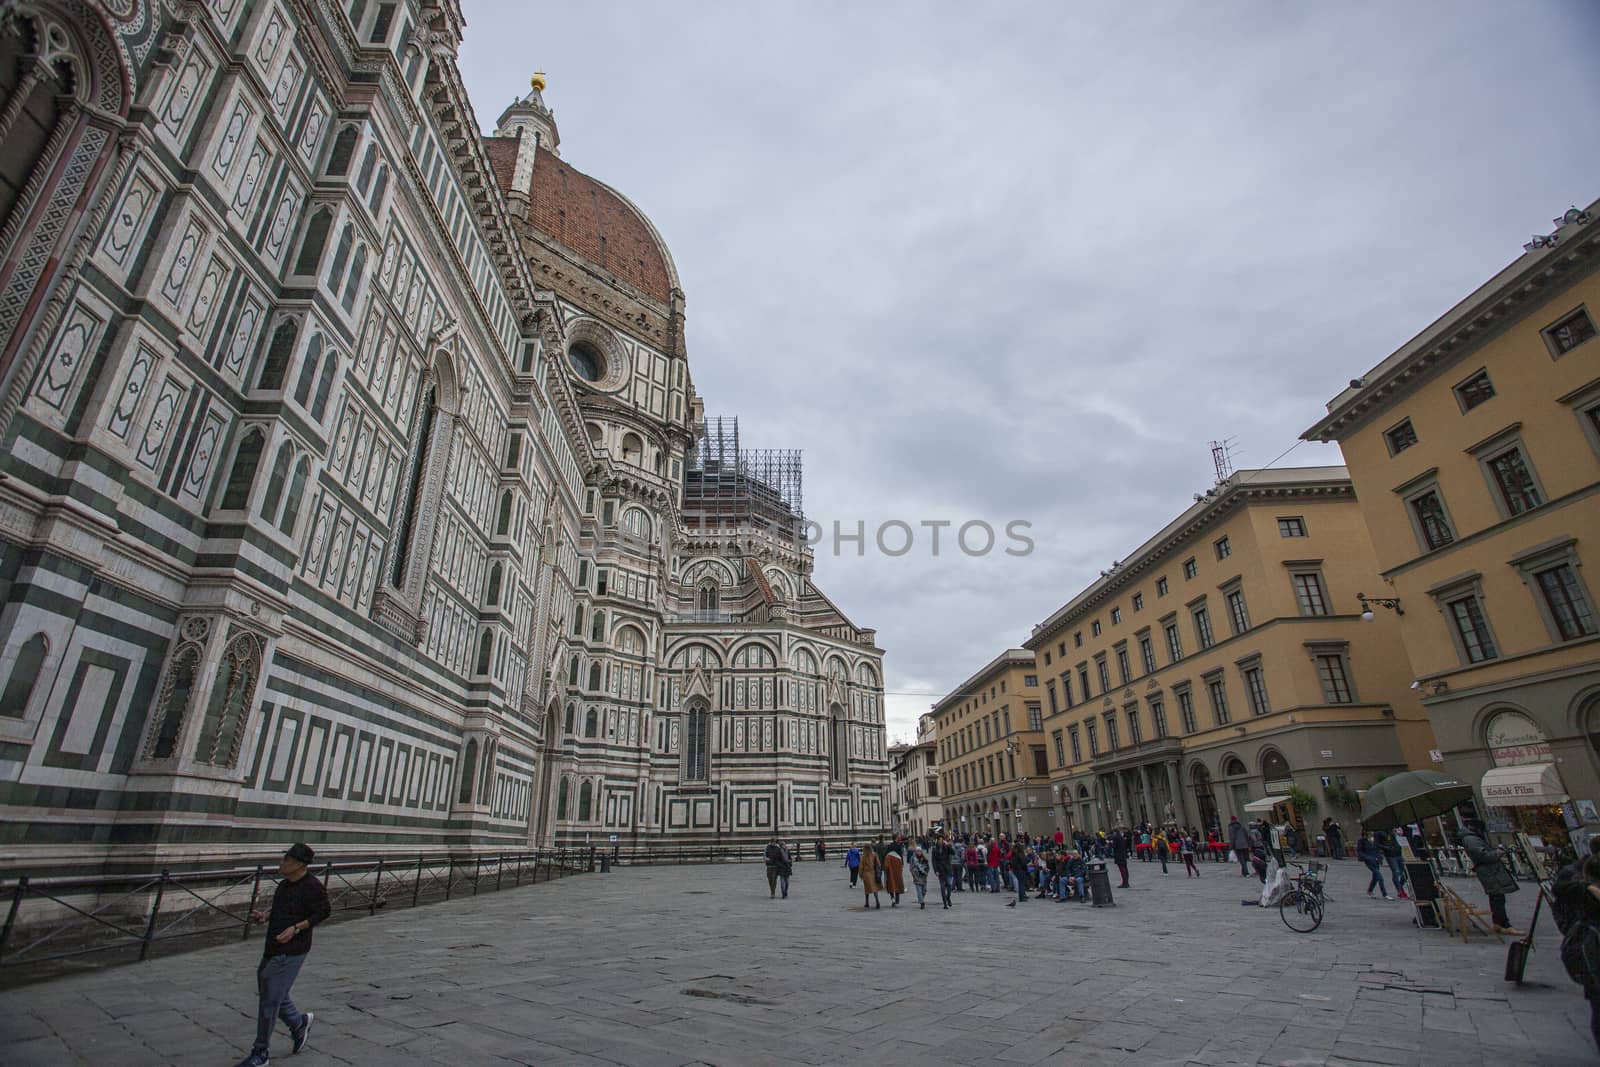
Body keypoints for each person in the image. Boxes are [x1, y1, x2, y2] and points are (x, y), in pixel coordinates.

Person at [236, 843, 330, 1067]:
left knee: (270, 1001)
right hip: (273, 947)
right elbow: (281, 907)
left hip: (292, 951)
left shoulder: (312, 886)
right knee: (272, 994)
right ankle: (299, 1023)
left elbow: (324, 911)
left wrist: (297, 928)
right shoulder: (285, 885)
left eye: (286, 860)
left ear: (298, 864)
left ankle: (261, 1053)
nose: (282, 863)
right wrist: (265, 916)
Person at [1460, 822, 1522, 935]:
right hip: (1489, 872)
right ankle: (1503, 924)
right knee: (1497, 898)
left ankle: (1499, 923)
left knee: (1497, 897)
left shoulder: (1472, 838)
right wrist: (1498, 852)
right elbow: (1483, 856)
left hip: (1491, 872)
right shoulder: (1471, 839)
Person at [1356, 832, 1390, 900]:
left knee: (1375, 877)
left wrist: (1380, 856)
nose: (1372, 833)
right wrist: (1367, 858)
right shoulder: (1362, 840)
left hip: (1376, 860)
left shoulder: (1376, 839)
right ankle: (1385, 894)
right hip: (1369, 861)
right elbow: (1360, 851)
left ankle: (1370, 891)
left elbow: (1378, 848)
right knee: (1379, 876)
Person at [1377, 831, 1408, 900]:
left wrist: (1399, 846)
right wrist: (1387, 848)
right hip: (1390, 855)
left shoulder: (1392, 831)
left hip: (1398, 853)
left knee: (1406, 872)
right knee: (1396, 872)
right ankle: (1400, 891)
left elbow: (1396, 840)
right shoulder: (1379, 832)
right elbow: (1376, 844)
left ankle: (1400, 887)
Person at [932, 835, 956, 909]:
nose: (941, 841)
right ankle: (945, 903)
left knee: (949, 885)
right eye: (939, 840)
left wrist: (949, 845)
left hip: (948, 869)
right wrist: (935, 870)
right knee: (942, 887)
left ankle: (948, 897)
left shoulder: (947, 847)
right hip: (940, 870)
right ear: (937, 840)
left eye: (942, 840)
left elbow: (953, 853)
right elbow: (934, 861)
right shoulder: (935, 849)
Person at [859, 842, 883, 909]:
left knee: (867, 889)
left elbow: (861, 866)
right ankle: (877, 901)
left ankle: (867, 902)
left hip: (866, 874)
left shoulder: (863, 856)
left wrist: (860, 874)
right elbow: (878, 864)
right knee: (874, 888)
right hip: (873, 873)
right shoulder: (874, 854)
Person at [909, 845, 931, 909]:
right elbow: (911, 867)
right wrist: (913, 873)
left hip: (923, 876)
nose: (919, 852)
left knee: (924, 890)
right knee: (919, 891)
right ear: (916, 852)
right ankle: (922, 902)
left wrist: (926, 873)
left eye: (920, 851)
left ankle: (921, 899)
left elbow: (928, 867)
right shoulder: (913, 858)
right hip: (917, 876)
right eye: (917, 851)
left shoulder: (924, 859)